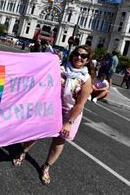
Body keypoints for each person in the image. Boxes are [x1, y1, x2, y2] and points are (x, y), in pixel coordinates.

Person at [12, 45, 95, 184]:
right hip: (51, 107)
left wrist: (69, 123)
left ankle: (46, 167)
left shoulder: (86, 79)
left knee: (59, 140)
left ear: (87, 60)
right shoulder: (59, 67)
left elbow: (80, 104)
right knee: (37, 132)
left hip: (70, 113)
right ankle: (23, 152)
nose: (79, 57)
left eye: (83, 56)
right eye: (77, 53)